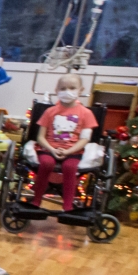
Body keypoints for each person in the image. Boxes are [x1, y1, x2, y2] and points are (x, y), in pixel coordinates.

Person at [31, 74, 97, 211]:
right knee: (46, 163)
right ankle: (36, 200)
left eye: (72, 88)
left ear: (81, 90)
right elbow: (40, 137)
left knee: (70, 168)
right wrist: (52, 149)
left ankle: (67, 205)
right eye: (63, 88)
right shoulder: (50, 112)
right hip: (48, 149)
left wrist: (68, 151)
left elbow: (85, 139)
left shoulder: (86, 113)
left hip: (73, 151)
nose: (67, 91)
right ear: (57, 90)